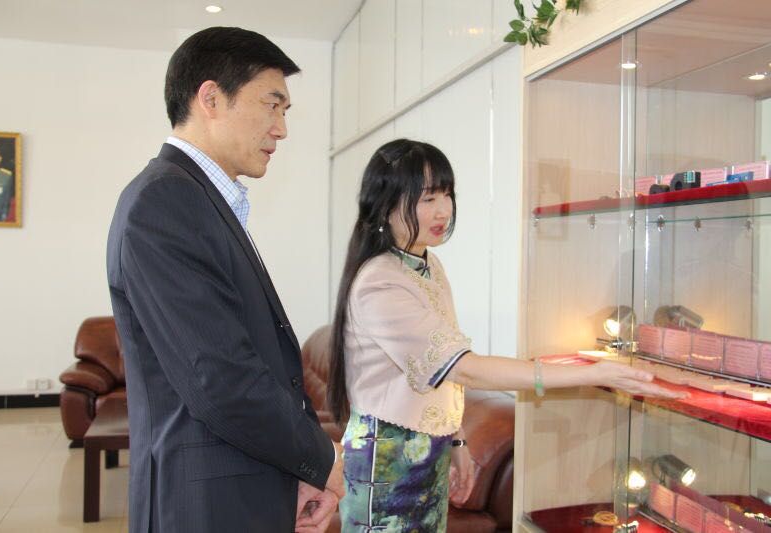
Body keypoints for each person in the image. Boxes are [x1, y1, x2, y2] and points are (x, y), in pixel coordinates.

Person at [327, 138, 686, 532]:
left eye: (447, 194)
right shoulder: (380, 280)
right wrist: (592, 373)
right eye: (428, 198)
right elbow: (465, 369)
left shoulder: (429, 265)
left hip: (430, 448)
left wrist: (456, 440)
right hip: (387, 456)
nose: (444, 210)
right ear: (385, 204)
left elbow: (438, 372)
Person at [107, 27, 343, 533]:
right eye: (271, 105)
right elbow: (221, 378)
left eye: (285, 111)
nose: (281, 129)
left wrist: (298, 473)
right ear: (211, 99)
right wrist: (324, 462)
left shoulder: (199, 198)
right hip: (204, 504)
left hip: (239, 489)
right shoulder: (165, 202)